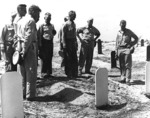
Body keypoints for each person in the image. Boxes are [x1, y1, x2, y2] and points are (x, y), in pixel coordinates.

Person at [16, 5, 41, 101]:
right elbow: (28, 37)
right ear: (33, 12)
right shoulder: (31, 21)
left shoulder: (21, 21)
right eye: (38, 13)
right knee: (31, 72)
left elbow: (18, 37)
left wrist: (19, 50)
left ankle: (22, 93)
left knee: (23, 72)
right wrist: (24, 51)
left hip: (21, 46)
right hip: (29, 47)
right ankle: (30, 95)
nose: (38, 16)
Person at [115, 20, 138, 85]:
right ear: (120, 25)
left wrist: (131, 44)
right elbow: (116, 43)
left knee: (127, 65)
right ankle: (123, 78)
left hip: (127, 49)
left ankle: (128, 79)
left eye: (124, 25)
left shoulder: (129, 31)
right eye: (122, 25)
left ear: (125, 25)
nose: (123, 26)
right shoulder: (118, 32)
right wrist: (116, 52)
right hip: (120, 49)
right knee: (121, 65)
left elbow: (136, 38)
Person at [38, 12, 56, 78]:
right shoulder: (42, 26)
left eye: (49, 18)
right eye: (47, 18)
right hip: (44, 43)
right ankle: (43, 73)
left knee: (49, 57)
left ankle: (49, 73)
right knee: (43, 58)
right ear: (44, 18)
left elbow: (53, 32)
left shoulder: (52, 25)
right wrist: (40, 44)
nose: (48, 19)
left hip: (50, 43)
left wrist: (52, 34)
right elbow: (39, 35)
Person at [62, 10, 78, 78]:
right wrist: (64, 43)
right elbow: (63, 34)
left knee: (74, 57)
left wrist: (76, 42)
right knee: (68, 58)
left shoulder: (74, 24)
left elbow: (74, 34)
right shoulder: (66, 24)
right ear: (70, 16)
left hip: (73, 42)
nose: (74, 17)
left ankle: (74, 73)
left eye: (75, 16)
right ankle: (69, 73)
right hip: (68, 41)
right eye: (73, 16)